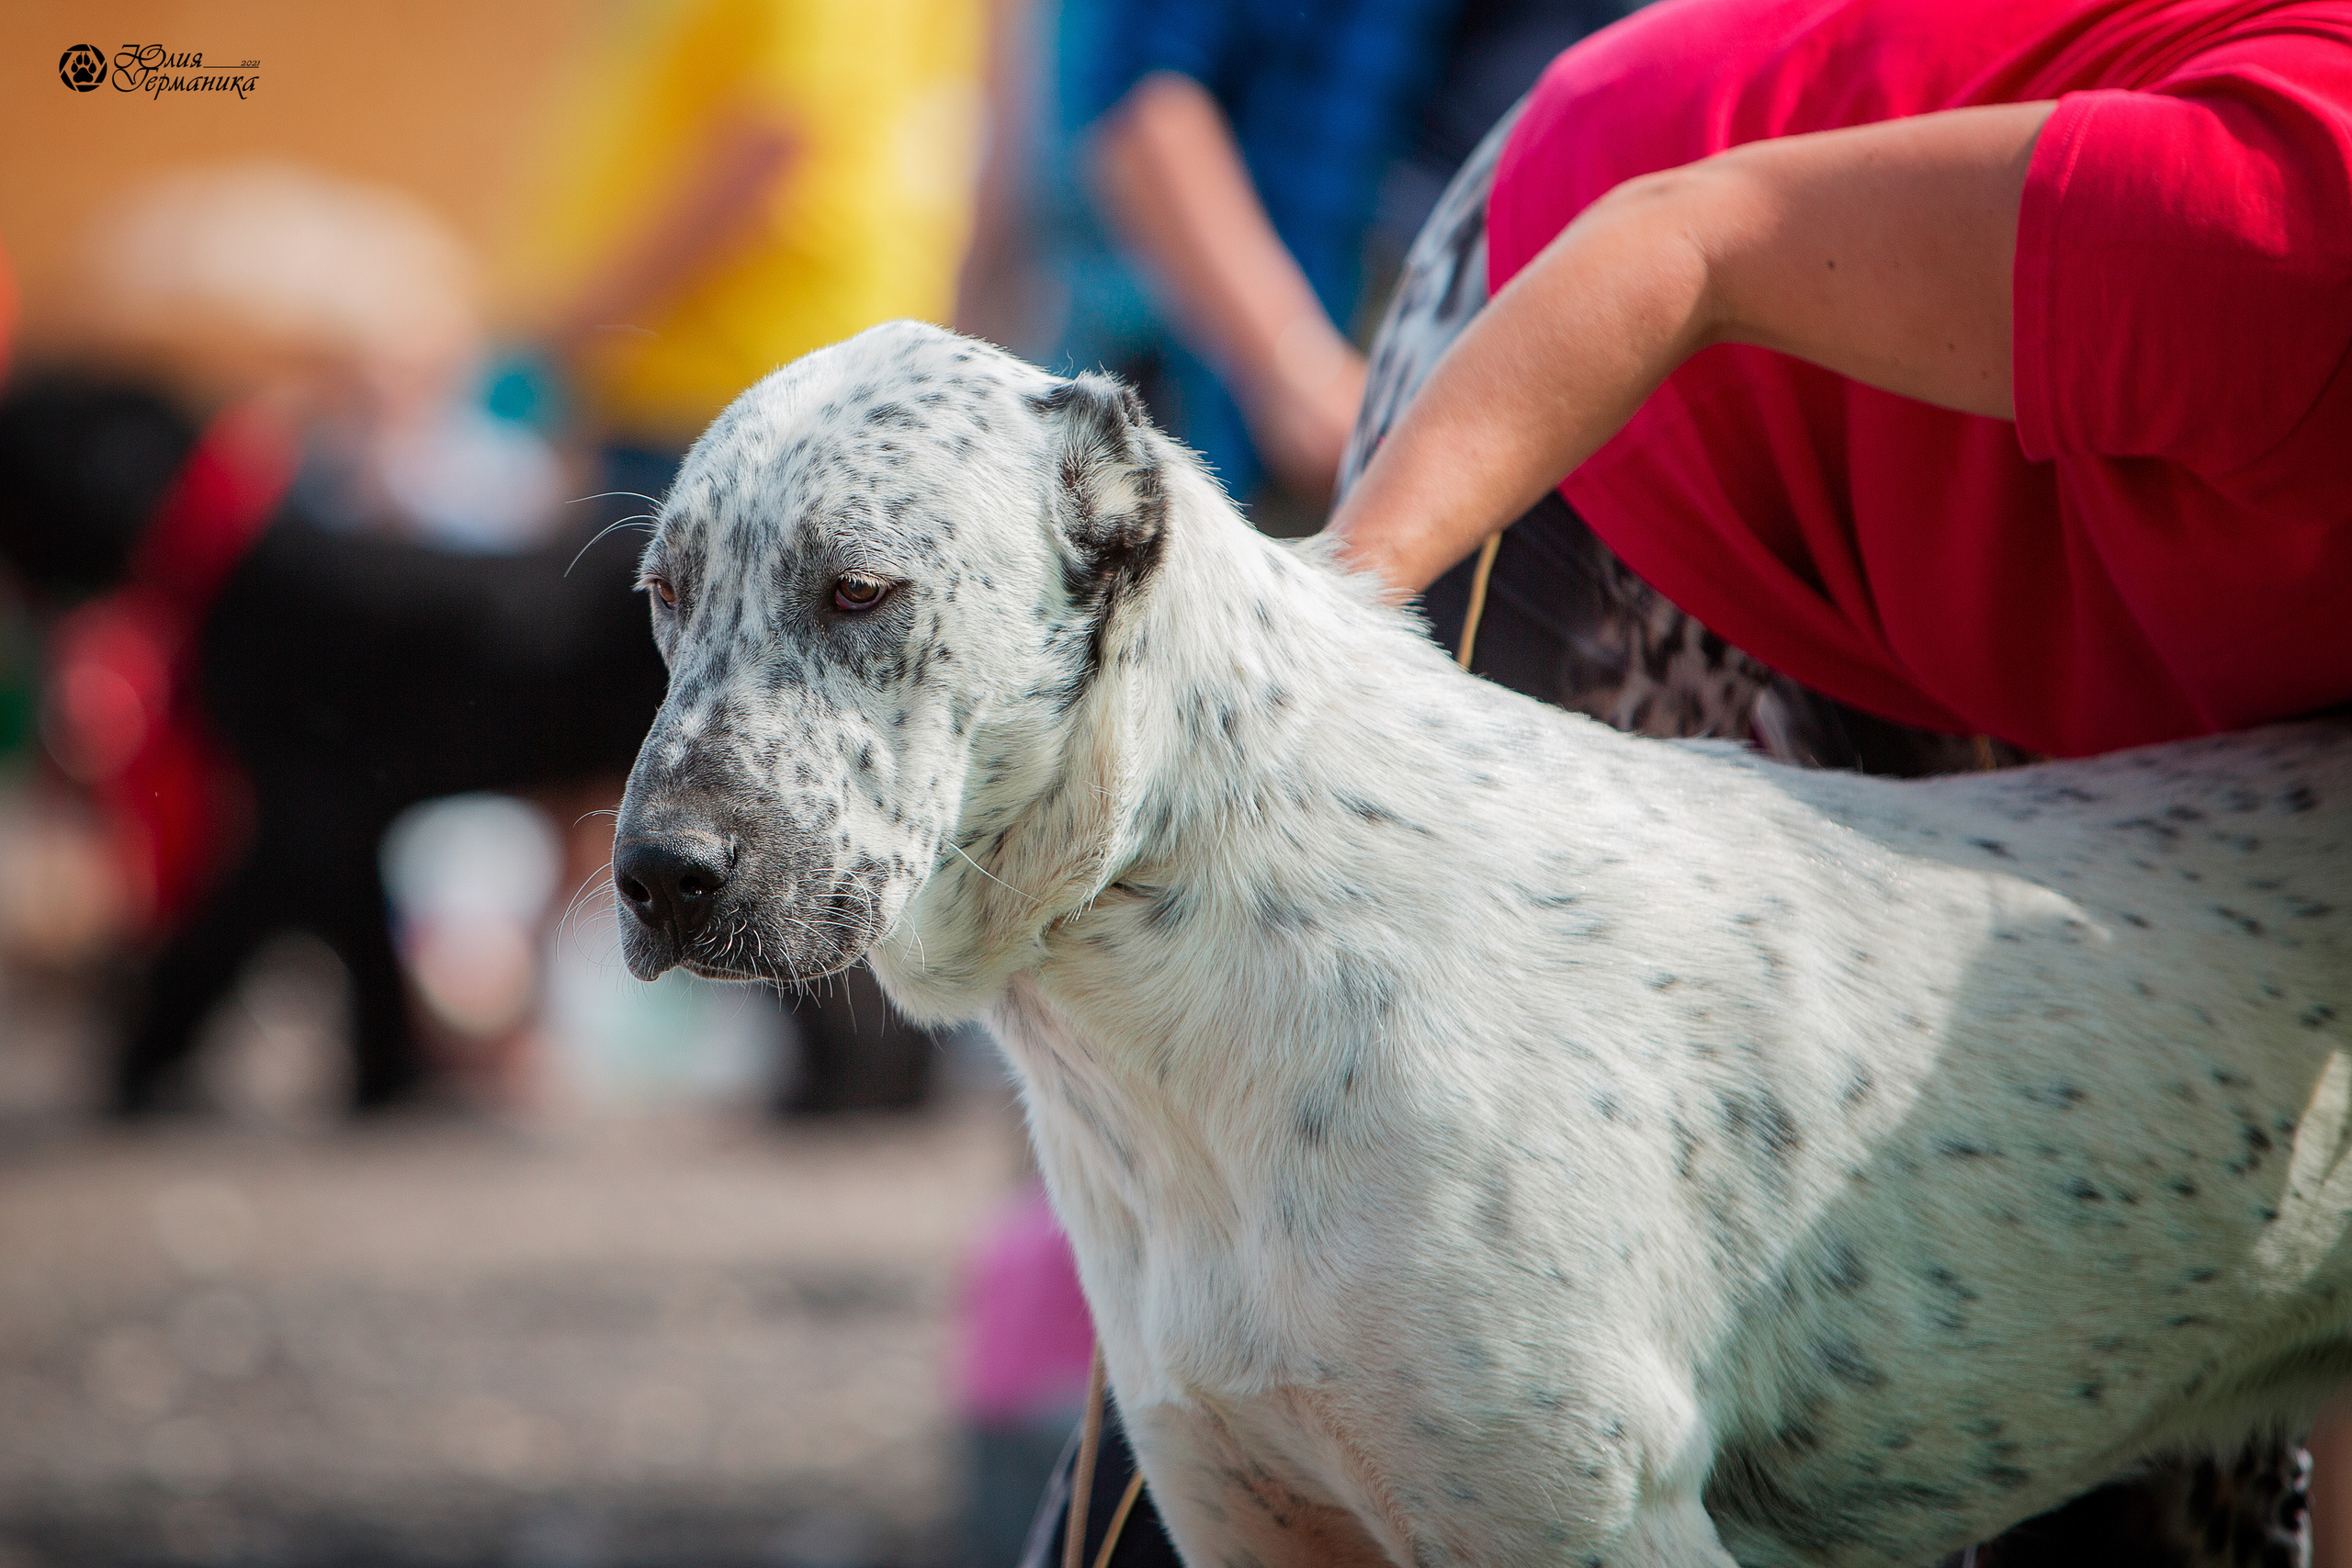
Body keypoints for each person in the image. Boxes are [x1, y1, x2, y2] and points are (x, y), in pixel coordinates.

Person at [1314, 1, 2352, 1562]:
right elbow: (1692, 239)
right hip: (1636, 336)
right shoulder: (2274, 239)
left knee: (2119, 1392)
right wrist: (1319, 641)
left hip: (2039, 582)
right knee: (1411, 1304)